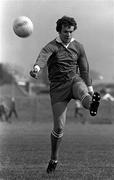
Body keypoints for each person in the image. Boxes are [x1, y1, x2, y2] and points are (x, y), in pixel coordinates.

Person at [30, 16, 100, 173]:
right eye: (65, 31)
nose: (68, 34)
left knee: (82, 91)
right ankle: (54, 159)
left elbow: (84, 69)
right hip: (58, 89)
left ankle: (92, 104)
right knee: (59, 128)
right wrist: (36, 68)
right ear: (59, 31)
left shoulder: (78, 47)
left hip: (74, 81)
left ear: (73, 30)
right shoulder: (51, 46)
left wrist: (90, 88)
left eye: (70, 31)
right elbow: (43, 57)